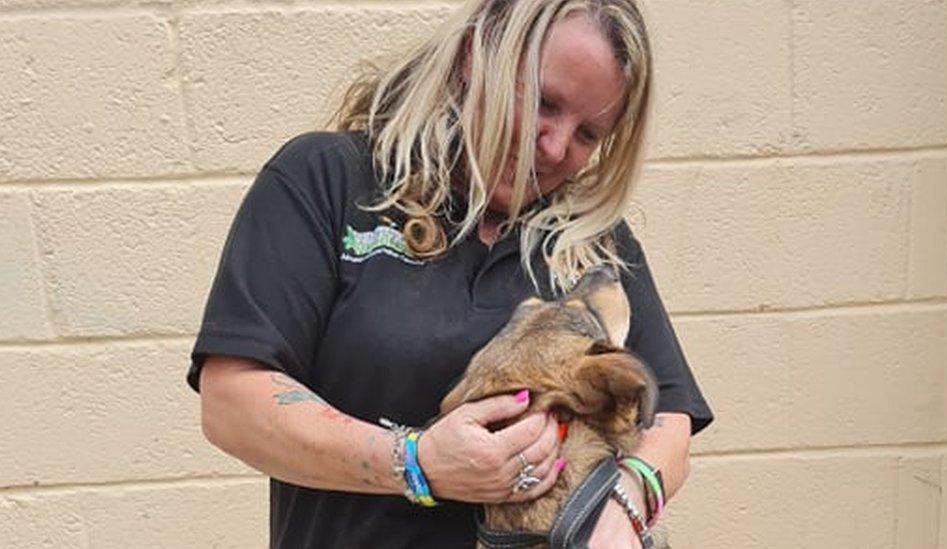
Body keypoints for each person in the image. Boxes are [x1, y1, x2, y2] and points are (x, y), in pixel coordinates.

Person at [187, 0, 713, 547]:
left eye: (587, 135)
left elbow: (669, 420)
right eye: (543, 102)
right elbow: (230, 404)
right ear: (474, 54)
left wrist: (626, 507)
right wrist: (416, 463)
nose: (555, 146)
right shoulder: (329, 181)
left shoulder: (593, 239)